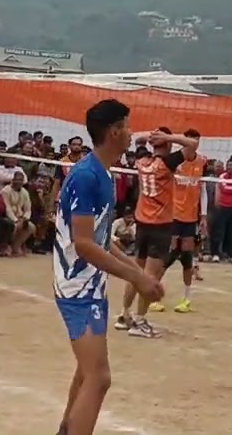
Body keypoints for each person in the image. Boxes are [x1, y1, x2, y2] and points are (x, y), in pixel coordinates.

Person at [53, 99, 163, 435]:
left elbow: (101, 239)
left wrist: (138, 272)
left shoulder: (103, 173)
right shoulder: (86, 176)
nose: (132, 133)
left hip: (91, 286)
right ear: (114, 131)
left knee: (87, 373)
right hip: (76, 288)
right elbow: (84, 244)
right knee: (100, 378)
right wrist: (134, 276)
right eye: (128, 126)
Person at [114, 127, 198, 338]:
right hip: (159, 226)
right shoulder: (167, 163)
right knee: (150, 277)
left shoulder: (142, 161)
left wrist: (149, 139)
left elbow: (139, 142)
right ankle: (140, 321)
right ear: (167, 144)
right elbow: (192, 144)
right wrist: (168, 136)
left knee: (136, 273)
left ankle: (125, 315)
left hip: (142, 223)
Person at [155, 129, 204, 314]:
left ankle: (186, 298)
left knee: (186, 258)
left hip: (190, 218)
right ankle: (155, 295)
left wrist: (203, 216)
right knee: (168, 256)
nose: (194, 145)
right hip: (173, 216)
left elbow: (203, 189)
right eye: (191, 141)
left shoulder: (201, 162)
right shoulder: (175, 162)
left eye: (196, 141)